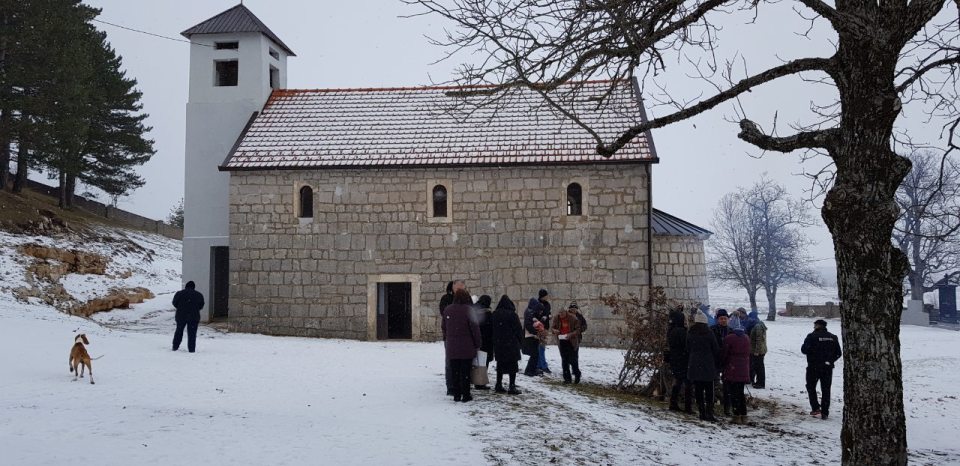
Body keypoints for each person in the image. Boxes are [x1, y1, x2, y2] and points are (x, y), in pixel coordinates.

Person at [442, 289, 481, 402]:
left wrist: (448, 337)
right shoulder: (468, 310)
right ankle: (466, 394)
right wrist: (478, 343)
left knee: (455, 371)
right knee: (465, 372)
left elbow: (444, 327)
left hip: (452, 346)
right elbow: (475, 329)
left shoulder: (447, 310)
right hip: (466, 347)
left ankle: (456, 394)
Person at [801, 319, 842, 420]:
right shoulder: (833, 337)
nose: (813, 327)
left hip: (813, 367)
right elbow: (838, 353)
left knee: (811, 387)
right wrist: (830, 361)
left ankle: (815, 407)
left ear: (817, 326)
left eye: (814, 325)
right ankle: (825, 412)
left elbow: (804, 350)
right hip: (827, 368)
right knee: (826, 389)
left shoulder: (811, 336)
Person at [687, 311, 720, 422]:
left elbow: (687, 348)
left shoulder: (691, 332)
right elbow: (715, 349)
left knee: (698, 390)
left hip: (694, 365)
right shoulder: (709, 333)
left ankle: (701, 413)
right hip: (708, 365)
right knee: (709, 391)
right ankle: (709, 413)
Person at [722, 316, 752, 424]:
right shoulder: (746, 338)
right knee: (740, 393)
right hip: (743, 368)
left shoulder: (729, 338)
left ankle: (736, 415)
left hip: (732, 368)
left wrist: (722, 364)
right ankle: (744, 415)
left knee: (733, 393)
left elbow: (724, 354)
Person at [491, 295, 523, 394]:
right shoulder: (512, 315)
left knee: (500, 365)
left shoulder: (495, 314)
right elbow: (518, 329)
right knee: (512, 366)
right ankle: (512, 386)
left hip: (499, 344)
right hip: (511, 344)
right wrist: (520, 341)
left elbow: (492, 329)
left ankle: (498, 384)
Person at [440, 279, 466, 395]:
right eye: (458, 288)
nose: (460, 290)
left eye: (462, 288)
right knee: (450, 361)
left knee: (464, 362)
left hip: (465, 336)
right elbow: (444, 315)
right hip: (451, 336)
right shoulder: (446, 299)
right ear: (453, 287)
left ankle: (462, 385)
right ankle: (451, 386)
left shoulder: (466, 299)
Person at [665, 308, 693, 413]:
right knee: (687, 382)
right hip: (683, 359)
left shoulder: (671, 330)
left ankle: (673, 402)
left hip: (675, 359)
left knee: (678, 381)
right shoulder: (681, 332)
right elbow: (686, 345)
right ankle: (687, 406)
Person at [550, 301, 582, 384]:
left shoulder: (573, 318)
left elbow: (578, 330)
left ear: (565, 312)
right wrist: (555, 330)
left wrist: (570, 334)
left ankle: (577, 374)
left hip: (572, 341)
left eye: (562, 313)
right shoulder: (557, 318)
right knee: (564, 360)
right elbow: (552, 328)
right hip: (562, 341)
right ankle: (567, 379)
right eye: (559, 313)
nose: (561, 315)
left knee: (573, 360)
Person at [172, 280, 204, 353]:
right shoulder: (199, 295)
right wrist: (194, 309)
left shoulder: (179, 293)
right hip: (194, 316)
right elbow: (201, 305)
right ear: (194, 287)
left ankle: (175, 347)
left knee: (179, 331)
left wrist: (181, 308)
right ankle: (191, 349)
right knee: (192, 333)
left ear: (186, 286)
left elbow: (174, 303)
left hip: (181, 316)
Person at [710, 308, 732, 415]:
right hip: (715, 359)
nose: (723, 320)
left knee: (727, 383)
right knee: (714, 381)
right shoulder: (712, 330)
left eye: (725, 318)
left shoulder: (731, 331)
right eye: (721, 318)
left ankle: (727, 405)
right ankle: (713, 401)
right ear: (718, 319)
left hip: (727, 360)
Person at [473, 295, 494, 390]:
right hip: (486, 341)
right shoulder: (487, 313)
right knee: (483, 362)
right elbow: (490, 328)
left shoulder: (474, 311)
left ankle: (472, 379)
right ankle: (480, 382)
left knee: (475, 362)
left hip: (475, 341)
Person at [522, 298, 544, 376]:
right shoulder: (530, 313)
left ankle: (531, 370)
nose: (541, 312)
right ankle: (529, 371)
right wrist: (536, 332)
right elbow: (528, 325)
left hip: (532, 336)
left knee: (535, 354)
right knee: (534, 354)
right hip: (530, 336)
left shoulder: (531, 313)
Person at [749, 310, 767, 389]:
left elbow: (758, 339)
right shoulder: (759, 324)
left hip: (758, 351)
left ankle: (760, 383)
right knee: (759, 367)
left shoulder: (758, 326)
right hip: (761, 350)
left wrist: (756, 351)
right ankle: (759, 382)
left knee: (759, 367)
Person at [537, 289, 552, 374]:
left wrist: (549, 316)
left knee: (542, 347)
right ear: (542, 296)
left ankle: (539, 364)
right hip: (539, 328)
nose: (547, 297)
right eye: (546, 295)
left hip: (545, 327)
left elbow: (548, 312)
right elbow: (535, 315)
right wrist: (541, 318)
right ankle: (543, 366)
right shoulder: (537, 304)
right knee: (541, 347)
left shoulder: (547, 304)